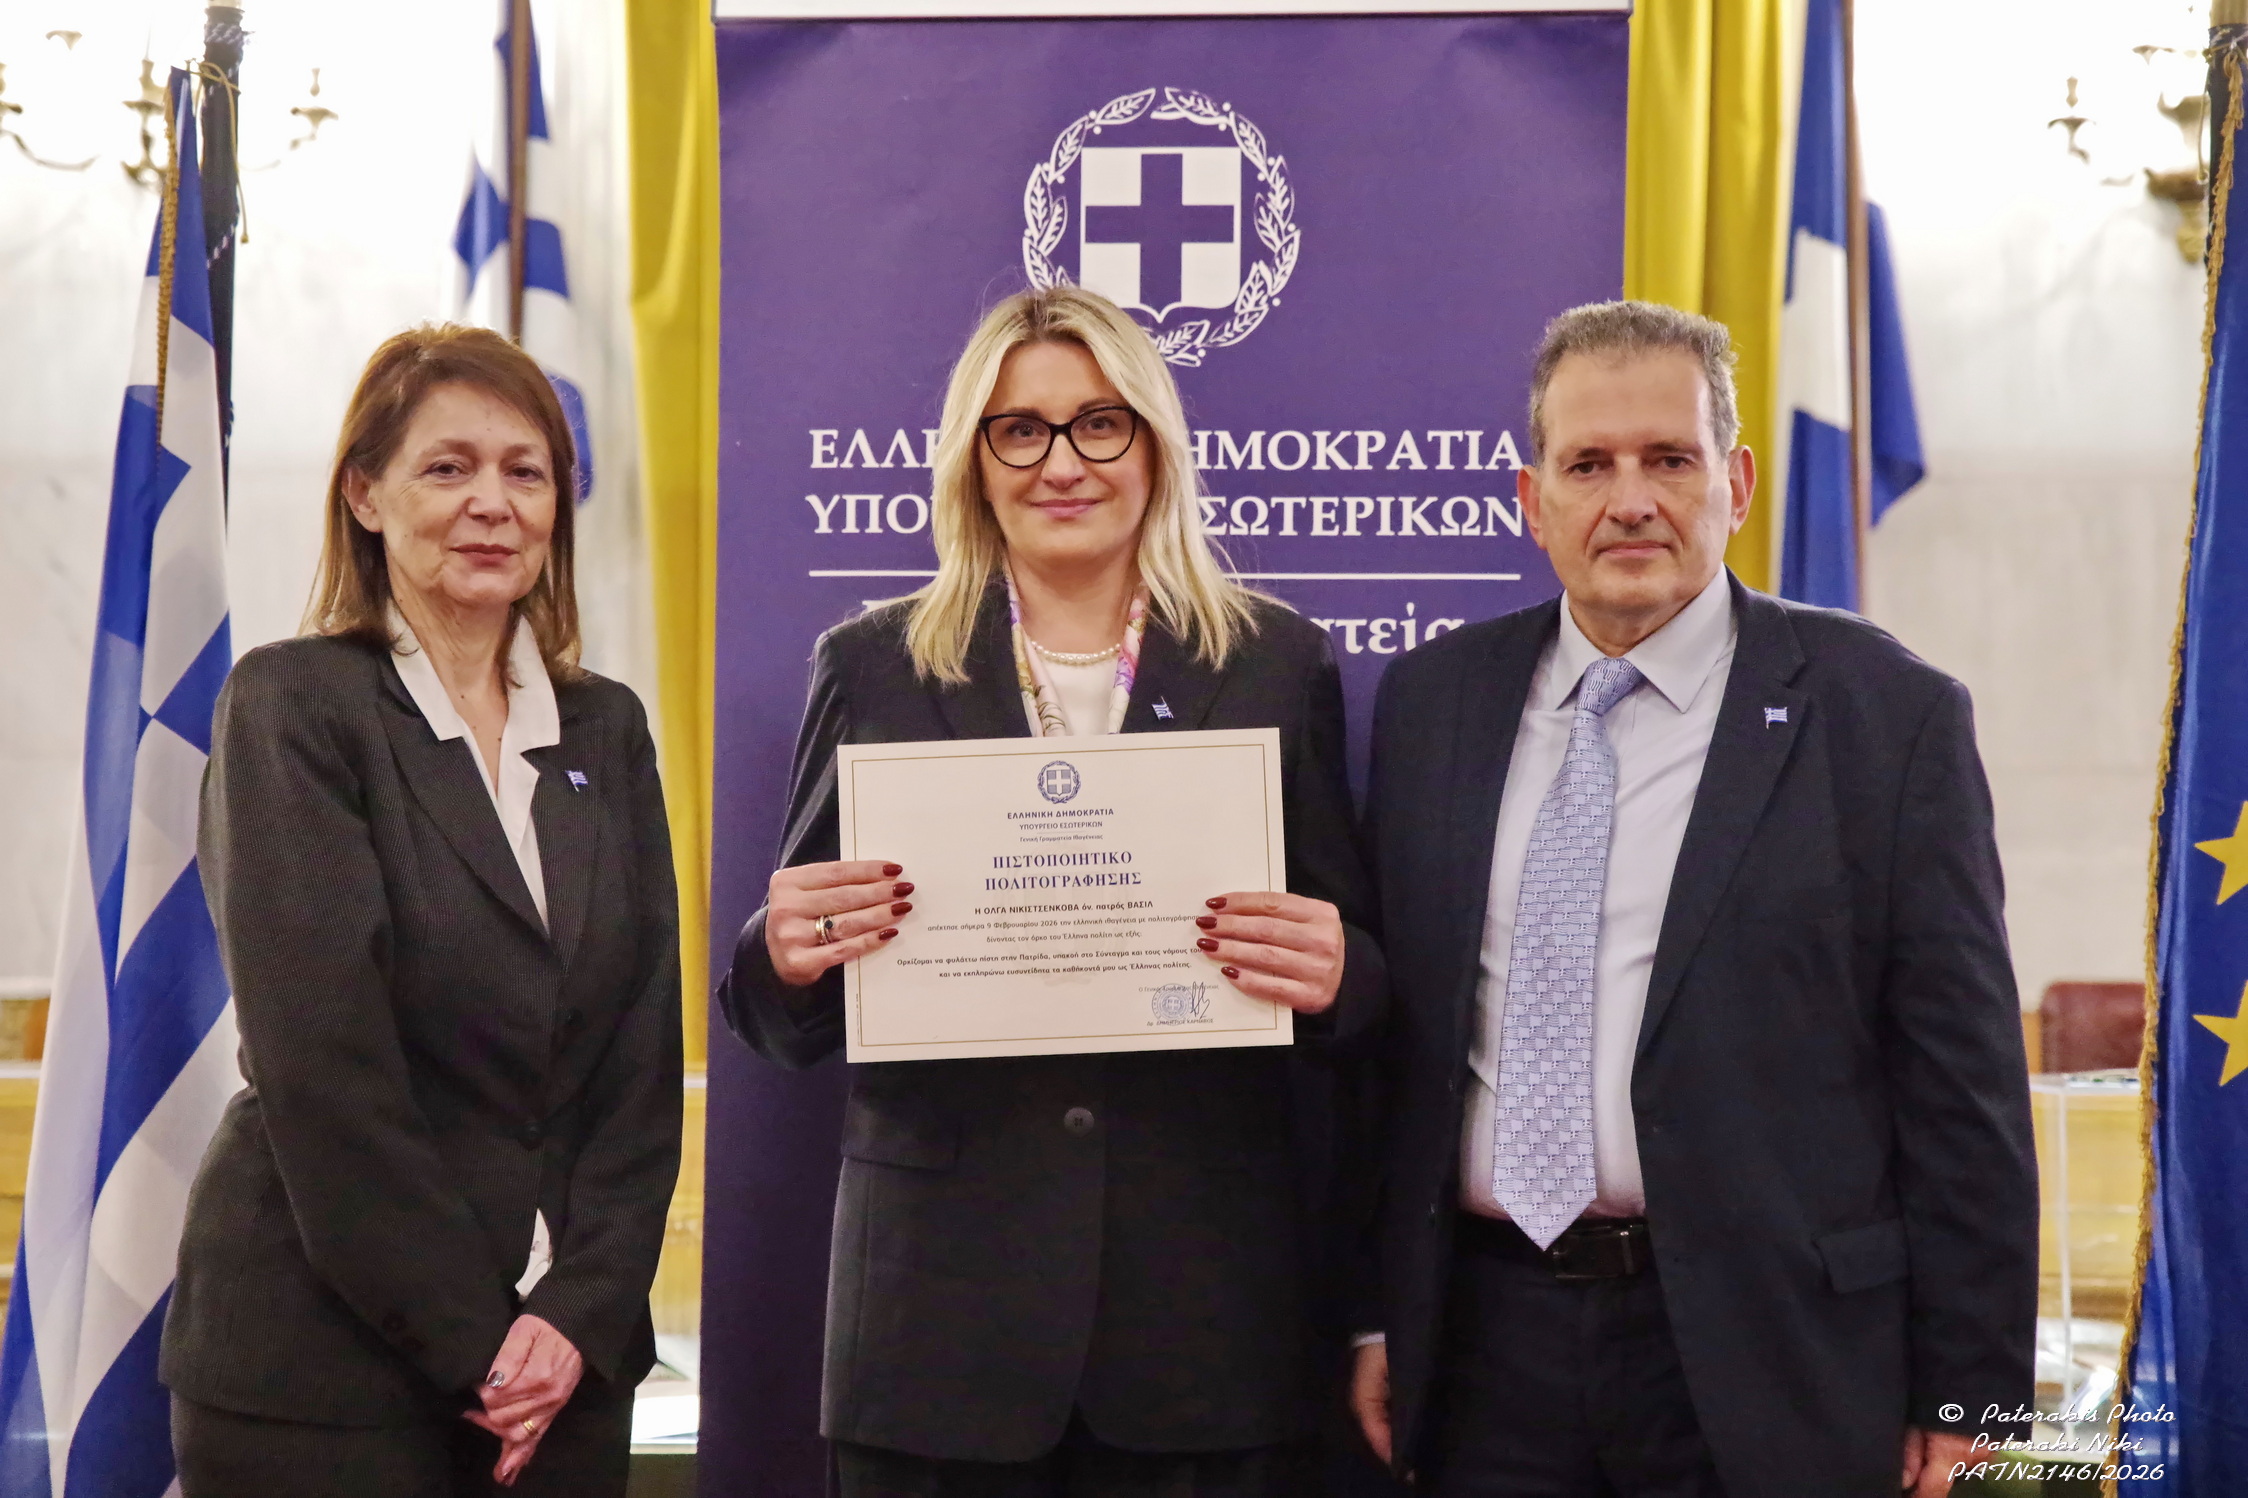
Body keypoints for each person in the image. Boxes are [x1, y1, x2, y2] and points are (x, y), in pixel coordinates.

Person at [1348, 301, 2037, 1498]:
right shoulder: (1430, 704)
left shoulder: (1885, 715)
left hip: (1772, 1350)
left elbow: (1960, 1084)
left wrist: (1970, 1393)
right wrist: (1372, 1313)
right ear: (1531, 501)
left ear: (1738, 483)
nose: (1629, 501)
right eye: (1588, 465)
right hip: (1482, 1349)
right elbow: (1394, 1056)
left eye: (1668, 459)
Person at [719, 284, 1385, 1497]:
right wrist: (783, 950)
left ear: (1153, 444)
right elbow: (778, 1013)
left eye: (1099, 423)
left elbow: (1362, 989)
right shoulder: (871, 666)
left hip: (1200, 1323)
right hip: (937, 1326)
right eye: (1020, 430)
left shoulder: (1273, 662)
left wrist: (1340, 972)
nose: (1061, 462)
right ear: (973, 460)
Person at [163, 324, 682, 1497]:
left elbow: (639, 1059)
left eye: (524, 470)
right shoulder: (294, 706)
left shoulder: (605, 727)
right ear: (365, 493)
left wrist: (577, 1315)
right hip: (324, 1374)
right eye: (448, 467)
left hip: (566, 1369)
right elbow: (324, 1065)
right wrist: (478, 1347)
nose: (491, 502)